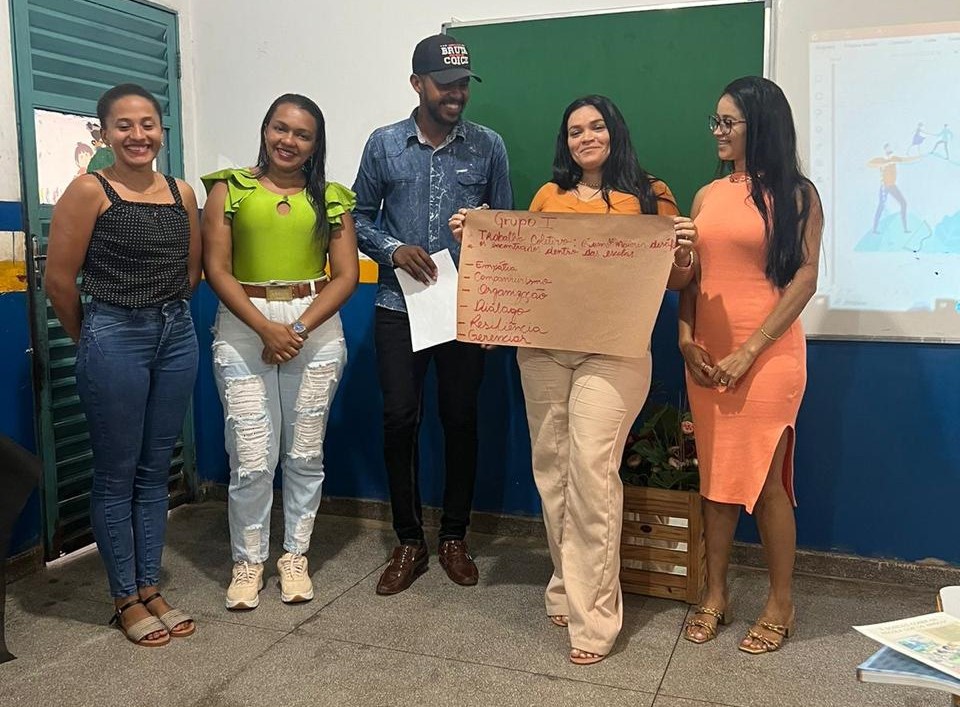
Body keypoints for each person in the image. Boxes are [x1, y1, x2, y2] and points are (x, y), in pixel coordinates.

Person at [452, 94, 697, 665]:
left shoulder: (651, 195)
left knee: (591, 471)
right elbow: (523, 266)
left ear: (615, 131)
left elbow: (676, 281)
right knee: (553, 470)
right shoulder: (548, 196)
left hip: (614, 353)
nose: (586, 137)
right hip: (543, 350)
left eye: (596, 126)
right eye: (575, 130)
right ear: (565, 142)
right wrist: (477, 238)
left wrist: (683, 251)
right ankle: (567, 584)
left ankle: (595, 619)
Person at [352, 34, 512, 596]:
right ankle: (409, 541)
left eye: (463, 84)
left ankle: (454, 537)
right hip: (398, 307)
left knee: (461, 419)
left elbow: (506, 230)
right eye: (445, 85)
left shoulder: (488, 146)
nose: (456, 94)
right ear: (417, 84)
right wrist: (392, 249)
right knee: (400, 419)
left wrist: (495, 310)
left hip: (465, 310)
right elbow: (355, 217)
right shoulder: (384, 144)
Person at [45, 83, 201, 647]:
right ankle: (124, 598)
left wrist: (163, 318)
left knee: (156, 469)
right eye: (124, 125)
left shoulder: (182, 192)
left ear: (162, 130)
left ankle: (150, 585)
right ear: (104, 133)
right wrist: (94, 338)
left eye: (147, 124)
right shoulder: (90, 190)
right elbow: (58, 282)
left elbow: (191, 271)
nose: (138, 135)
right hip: (114, 334)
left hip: (176, 334)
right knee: (117, 472)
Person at [679, 76, 823, 654]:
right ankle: (715, 594)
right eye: (714, 121)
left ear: (759, 125)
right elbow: (691, 278)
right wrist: (685, 339)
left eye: (727, 122)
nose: (717, 132)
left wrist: (749, 349)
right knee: (715, 483)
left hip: (769, 357)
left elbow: (805, 279)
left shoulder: (798, 194)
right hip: (708, 360)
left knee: (766, 484)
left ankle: (780, 603)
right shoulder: (707, 195)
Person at [202, 94, 358, 610]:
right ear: (265, 129)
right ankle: (248, 562)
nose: (288, 141)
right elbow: (216, 269)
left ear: (316, 144)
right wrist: (266, 329)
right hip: (244, 324)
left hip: (315, 326)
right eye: (280, 128)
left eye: (302, 134)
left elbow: (346, 275)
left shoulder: (331, 197)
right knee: (251, 456)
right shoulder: (229, 188)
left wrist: (298, 328)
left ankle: (294, 556)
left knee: (305, 452)